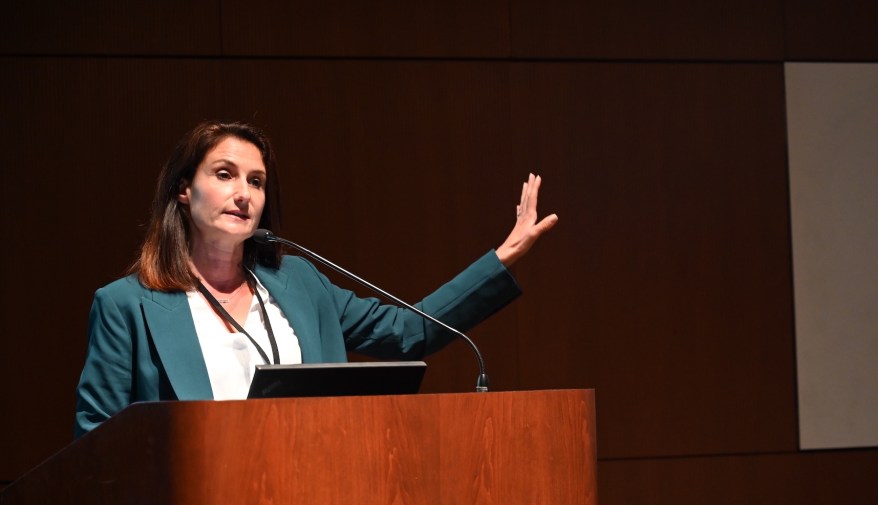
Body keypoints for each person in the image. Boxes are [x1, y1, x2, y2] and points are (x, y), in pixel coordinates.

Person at [74, 120, 557, 438]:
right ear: (184, 189)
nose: (243, 193)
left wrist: (505, 254)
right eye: (224, 174)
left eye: (256, 181)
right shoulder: (128, 305)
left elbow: (410, 332)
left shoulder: (299, 283)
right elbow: (95, 442)